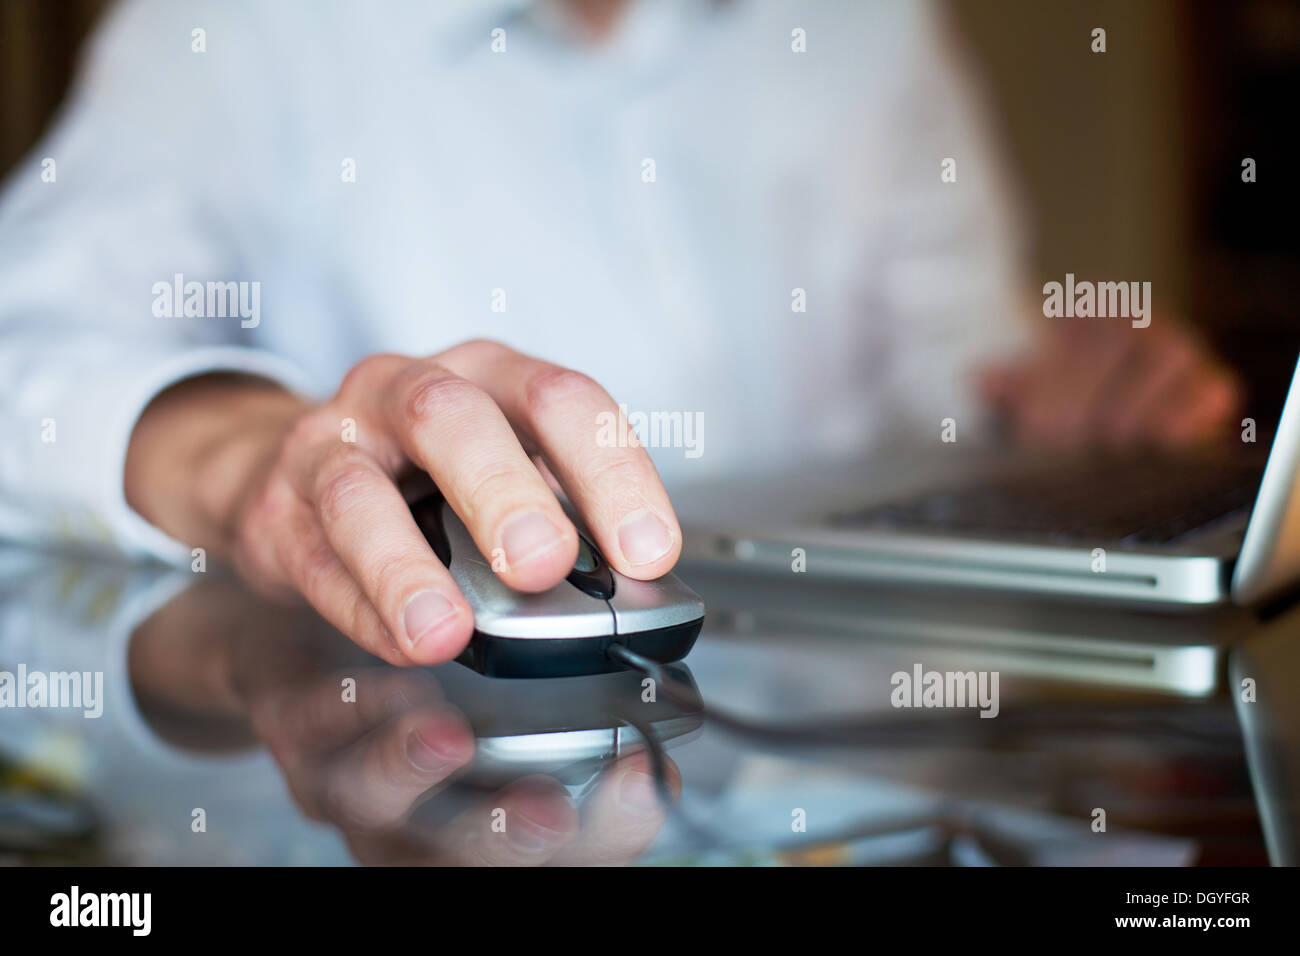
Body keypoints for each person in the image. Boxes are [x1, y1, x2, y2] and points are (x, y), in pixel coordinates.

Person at [0, 0, 1239, 670]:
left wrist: (1052, 409)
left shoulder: (870, 27)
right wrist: (245, 457)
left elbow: (948, 366)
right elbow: (25, 354)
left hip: (844, 757)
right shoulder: (234, 30)